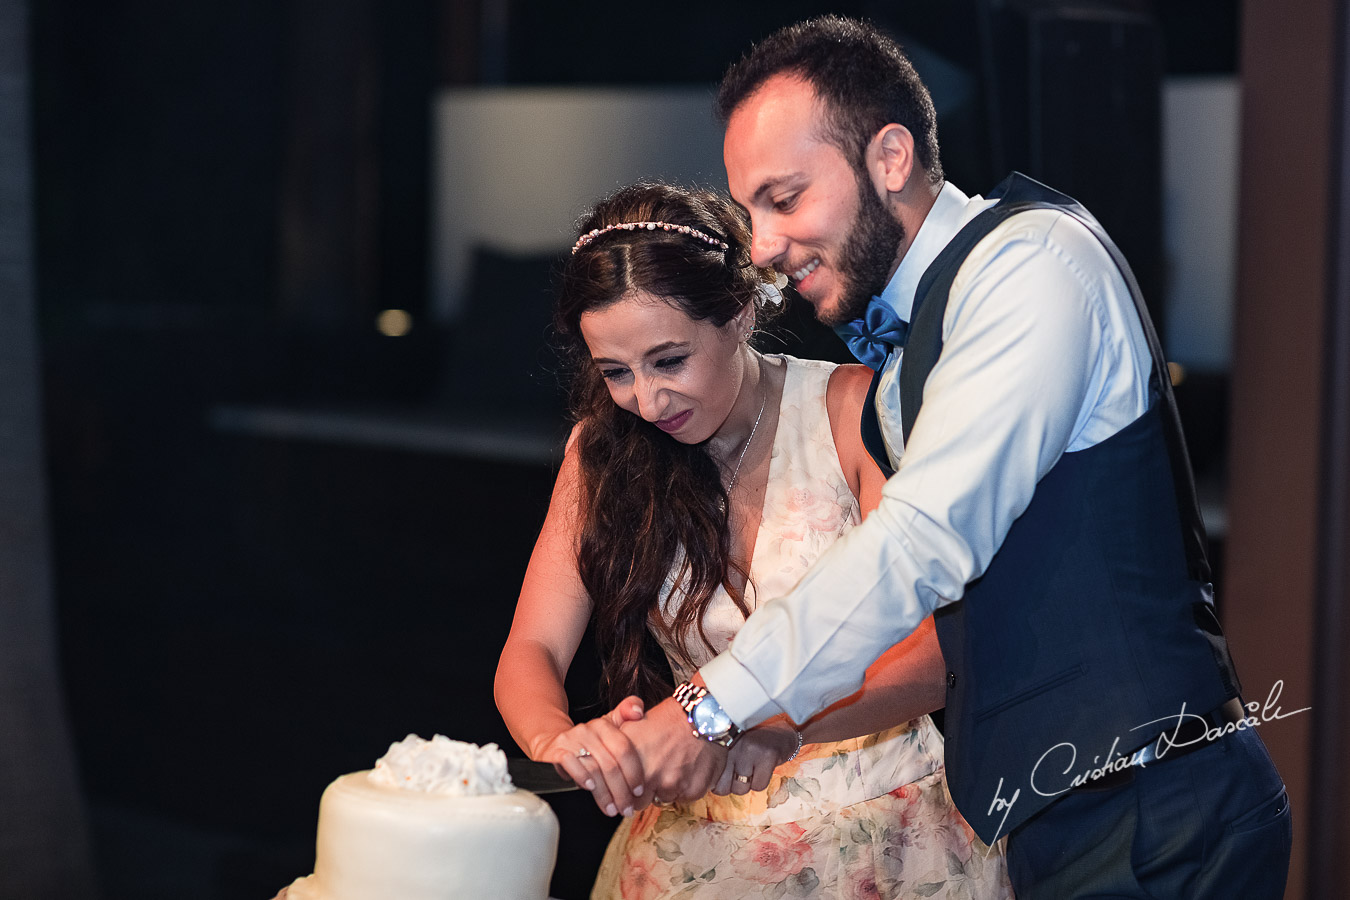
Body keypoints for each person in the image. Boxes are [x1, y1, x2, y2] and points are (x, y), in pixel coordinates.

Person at [607, 15, 1293, 899]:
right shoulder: (907, 351)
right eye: (750, 212)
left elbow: (924, 543)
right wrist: (784, 726)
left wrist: (707, 706)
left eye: (784, 198)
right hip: (1057, 821)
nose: (763, 246)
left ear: (890, 157)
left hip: (1156, 811)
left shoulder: (1033, 263)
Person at [494, 181, 1012, 899]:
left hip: (885, 838)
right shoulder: (603, 451)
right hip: (694, 851)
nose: (647, 400)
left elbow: (936, 650)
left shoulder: (850, 410)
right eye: (616, 372)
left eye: (669, 360)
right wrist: (560, 741)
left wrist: (779, 723)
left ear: (739, 313)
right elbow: (533, 649)